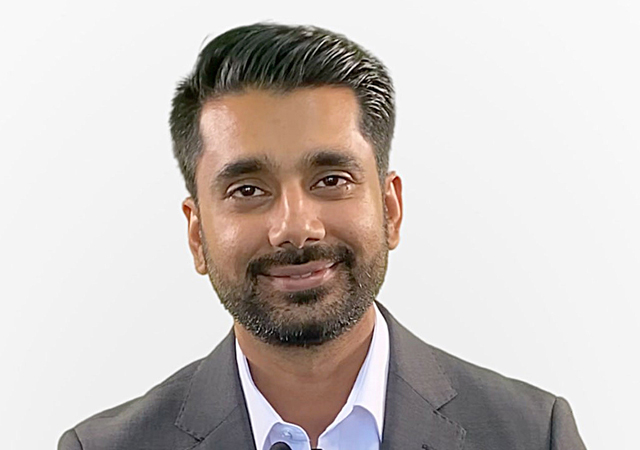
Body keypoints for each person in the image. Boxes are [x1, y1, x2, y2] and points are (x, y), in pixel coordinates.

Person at [58, 23, 587, 450]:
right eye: (247, 189)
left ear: (390, 208)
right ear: (197, 235)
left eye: (331, 180)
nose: (296, 227)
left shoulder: (532, 435)